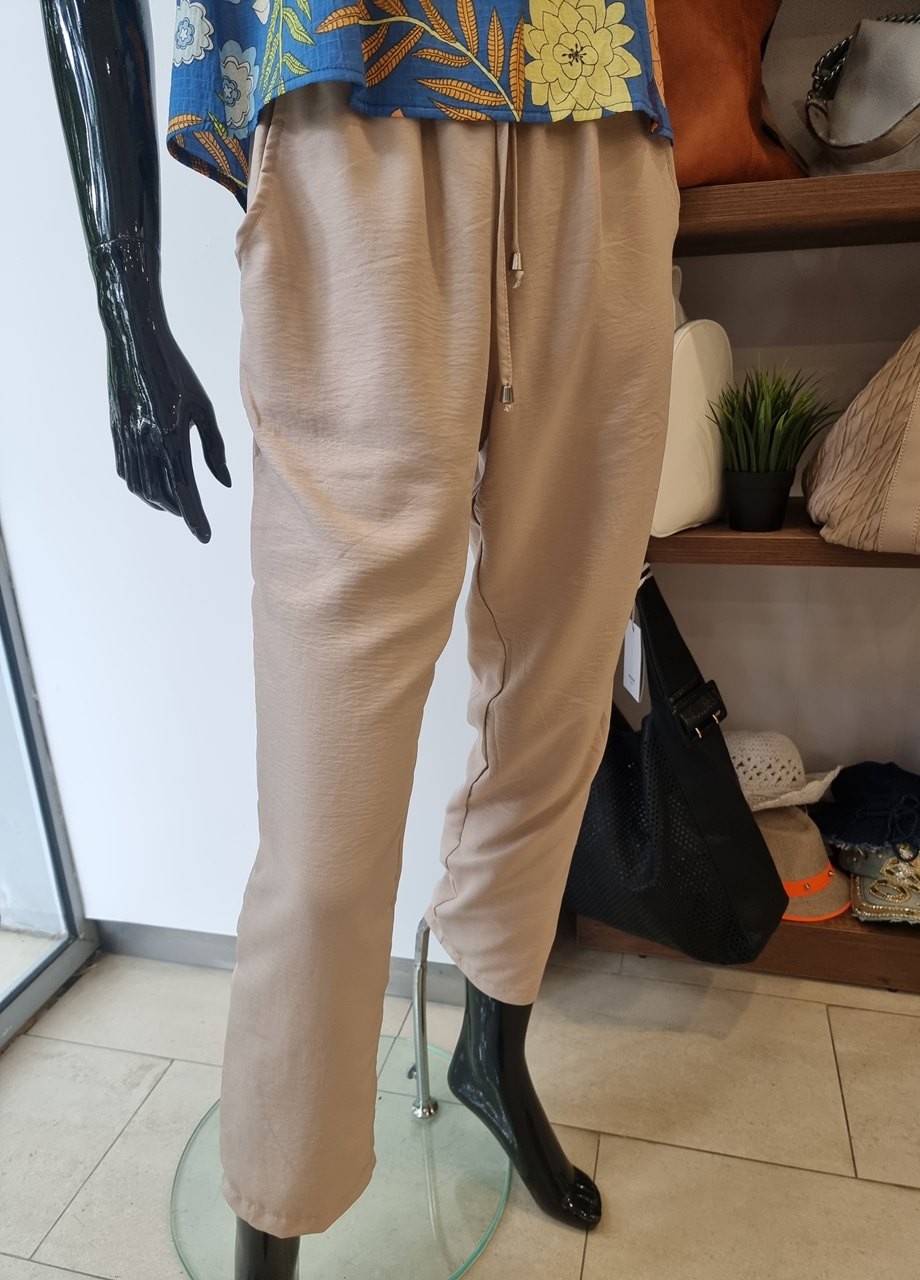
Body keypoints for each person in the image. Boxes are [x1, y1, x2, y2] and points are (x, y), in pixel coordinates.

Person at [42, 1, 678, 1275]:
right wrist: (123, 288)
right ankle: (274, 1210)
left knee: (557, 696)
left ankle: (491, 1048)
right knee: (327, 800)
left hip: (597, 115)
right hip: (356, 102)